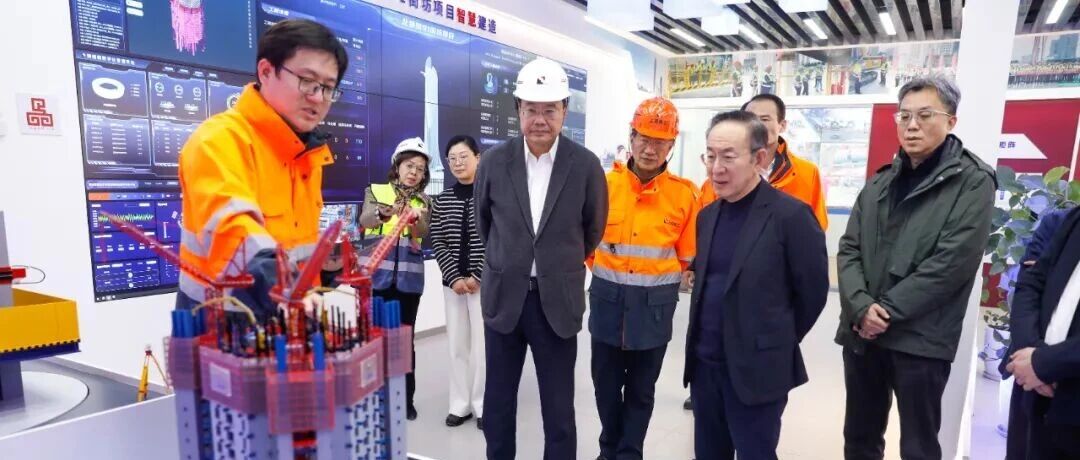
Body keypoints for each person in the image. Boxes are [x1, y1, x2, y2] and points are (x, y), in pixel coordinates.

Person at [836, 75, 995, 460]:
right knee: (859, 438)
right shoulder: (880, 182)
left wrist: (885, 312)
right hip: (864, 334)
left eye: (924, 115)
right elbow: (849, 248)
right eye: (904, 116)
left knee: (918, 447)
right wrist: (861, 307)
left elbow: (952, 264)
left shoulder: (973, 181)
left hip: (922, 338)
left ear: (951, 121)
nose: (911, 125)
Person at [474, 57, 608, 460]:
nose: (539, 120)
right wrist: (511, 260)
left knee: (559, 408)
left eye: (549, 110)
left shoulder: (585, 166)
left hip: (557, 302)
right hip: (504, 299)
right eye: (531, 109)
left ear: (565, 110)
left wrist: (555, 263)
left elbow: (593, 230)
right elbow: (485, 224)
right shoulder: (494, 162)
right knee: (498, 403)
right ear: (518, 109)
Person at [176, 19, 347, 320]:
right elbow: (234, 231)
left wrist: (325, 272)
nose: (318, 97)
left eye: (328, 88)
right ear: (266, 71)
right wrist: (286, 285)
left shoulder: (306, 154)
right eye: (307, 81)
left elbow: (296, 246)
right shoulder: (218, 140)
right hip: (223, 325)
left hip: (288, 320)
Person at [683, 110, 829, 459]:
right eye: (710, 156)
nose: (716, 168)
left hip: (758, 371)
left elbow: (812, 294)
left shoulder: (790, 216)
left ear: (759, 158)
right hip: (705, 367)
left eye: (728, 157)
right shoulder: (707, 216)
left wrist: (773, 340)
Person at [587, 97, 699, 460]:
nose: (651, 149)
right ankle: (609, 449)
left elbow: (687, 257)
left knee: (641, 391)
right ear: (631, 137)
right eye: (644, 139)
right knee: (605, 388)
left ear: (672, 145)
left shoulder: (684, 195)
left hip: (653, 311)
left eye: (660, 142)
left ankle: (629, 453)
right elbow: (587, 245)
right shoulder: (603, 186)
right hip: (607, 304)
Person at [359, 137, 432, 421]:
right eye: (409, 165)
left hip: (408, 284)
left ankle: (405, 399)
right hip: (375, 279)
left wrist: (416, 220)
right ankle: (374, 397)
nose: (414, 172)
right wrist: (381, 213)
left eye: (420, 169)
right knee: (373, 341)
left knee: (404, 342)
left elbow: (423, 231)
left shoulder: (424, 201)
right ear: (398, 166)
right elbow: (365, 220)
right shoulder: (375, 191)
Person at [1005, 206, 1080, 459]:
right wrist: (1032, 354)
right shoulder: (1074, 220)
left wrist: (1043, 363)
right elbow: (1031, 282)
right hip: (1039, 396)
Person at [695, 94, 828, 230]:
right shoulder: (717, 180)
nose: (757, 125)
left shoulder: (807, 173)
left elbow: (817, 225)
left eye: (765, 119)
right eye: (750, 119)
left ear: (782, 125)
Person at [430, 134, 486, 430]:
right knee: (456, 345)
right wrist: (453, 277)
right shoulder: (442, 200)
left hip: (483, 285)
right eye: (452, 158)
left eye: (463, 156)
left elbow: (496, 238)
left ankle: (482, 404)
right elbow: (438, 240)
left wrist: (477, 275)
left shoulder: (491, 197)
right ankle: (459, 403)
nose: (457, 162)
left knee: (482, 346)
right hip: (452, 286)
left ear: (478, 157)